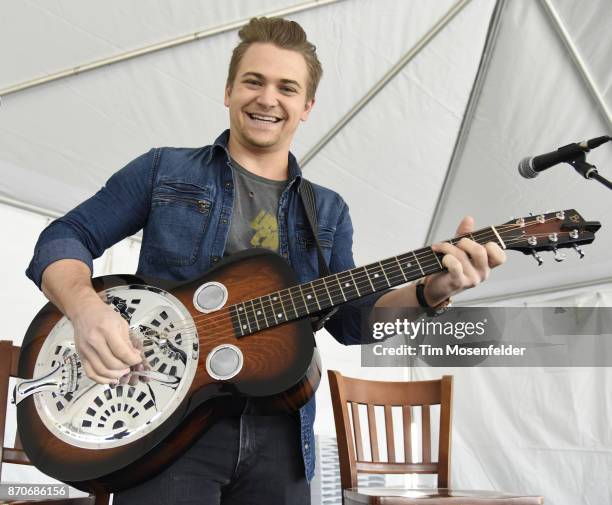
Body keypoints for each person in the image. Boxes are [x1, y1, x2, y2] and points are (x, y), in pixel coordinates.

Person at [26, 16, 505, 505]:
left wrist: (432, 291)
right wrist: (87, 310)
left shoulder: (329, 211)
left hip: (282, 433)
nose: (267, 98)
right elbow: (64, 238)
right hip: (165, 427)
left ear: (306, 107)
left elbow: (355, 322)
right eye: (254, 81)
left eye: (287, 88)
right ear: (230, 89)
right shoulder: (162, 170)